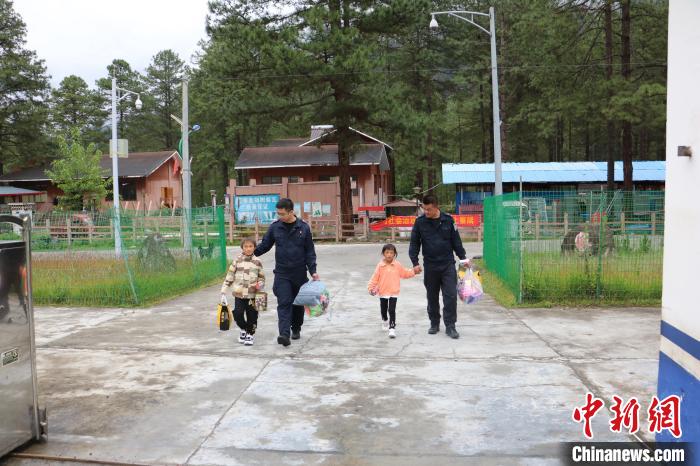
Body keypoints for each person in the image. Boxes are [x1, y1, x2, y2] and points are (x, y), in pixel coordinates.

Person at [254, 198, 319, 347]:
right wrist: (249, 254)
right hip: (282, 273)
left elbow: (310, 252)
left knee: (297, 304)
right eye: (278, 213)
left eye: (282, 214)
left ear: (291, 212)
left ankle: (296, 328)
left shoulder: (304, 228)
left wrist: (313, 271)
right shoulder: (275, 227)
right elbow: (265, 245)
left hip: (299, 273)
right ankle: (284, 334)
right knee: (284, 302)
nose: (280, 216)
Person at [409, 194, 468, 339]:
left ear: (436, 207)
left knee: (451, 296)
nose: (426, 212)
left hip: (447, 265)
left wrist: (463, 258)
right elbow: (414, 243)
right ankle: (434, 323)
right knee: (432, 296)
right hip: (430, 266)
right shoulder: (420, 222)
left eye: (428, 209)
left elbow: (456, 241)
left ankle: (450, 326)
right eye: (424, 209)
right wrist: (415, 263)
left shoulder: (448, 220)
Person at [220, 238, 265, 346]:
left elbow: (262, 278)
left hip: (253, 295)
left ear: (254, 247)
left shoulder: (258, 262)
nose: (248, 249)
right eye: (246, 246)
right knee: (238, 313)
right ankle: (244, 329)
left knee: (253, 316)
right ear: (242, 248)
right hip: (239, 295)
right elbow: (230, 276)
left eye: (250, 246)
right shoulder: (237, 261)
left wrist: (260, 284)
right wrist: (224, 290)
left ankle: (250, 334)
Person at [367, 243, 417, 338]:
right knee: (383, 310)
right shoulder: (380, 266)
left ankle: (392, 328)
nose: (389, 254)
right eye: (387, 252)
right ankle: (385, 320)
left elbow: (404, 273)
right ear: (383, 254)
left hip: (394, 292)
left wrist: (414, 272)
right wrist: (370, 287)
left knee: (392, 310)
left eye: (391, 253)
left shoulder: (397, 265)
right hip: (383, 292)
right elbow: (374, 278)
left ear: (394, 254)